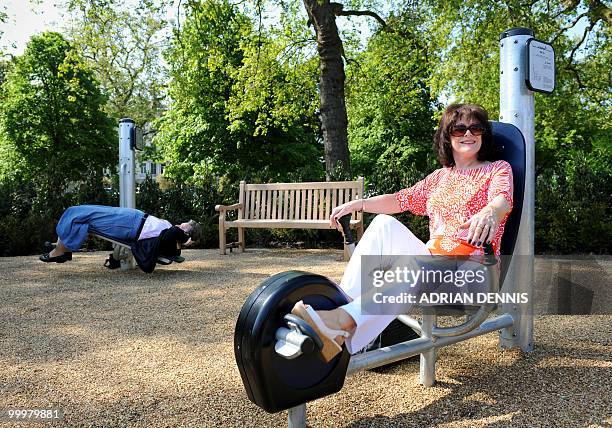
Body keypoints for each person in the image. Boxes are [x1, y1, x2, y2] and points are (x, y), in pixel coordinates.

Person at [291, 103, 514, 362]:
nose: (468, 133)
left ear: (483, 134)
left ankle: (341, 321)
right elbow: (400, 200)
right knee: (383, 224)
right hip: (434, 260)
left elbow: (503, 200)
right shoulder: (440, 178)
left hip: (474, 268)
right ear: (447, 135)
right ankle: (344, 309)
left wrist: (490, 212)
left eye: (475, 127)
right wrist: (359, 204)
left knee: (414, 264)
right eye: (459, 128)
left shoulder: (497, 168)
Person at [39, 205, 202, 273]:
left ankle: (60, 250)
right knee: (81, 210)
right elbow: (174, 231)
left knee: (86, 216)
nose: (180, 224)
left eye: (185, 226)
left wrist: (186, 240)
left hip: (129, 226)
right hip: (133, 217)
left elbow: (174, 234)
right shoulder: (171, 232)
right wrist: (184, 232)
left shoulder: (172, 241)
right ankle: (62, 246)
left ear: (186, 236)